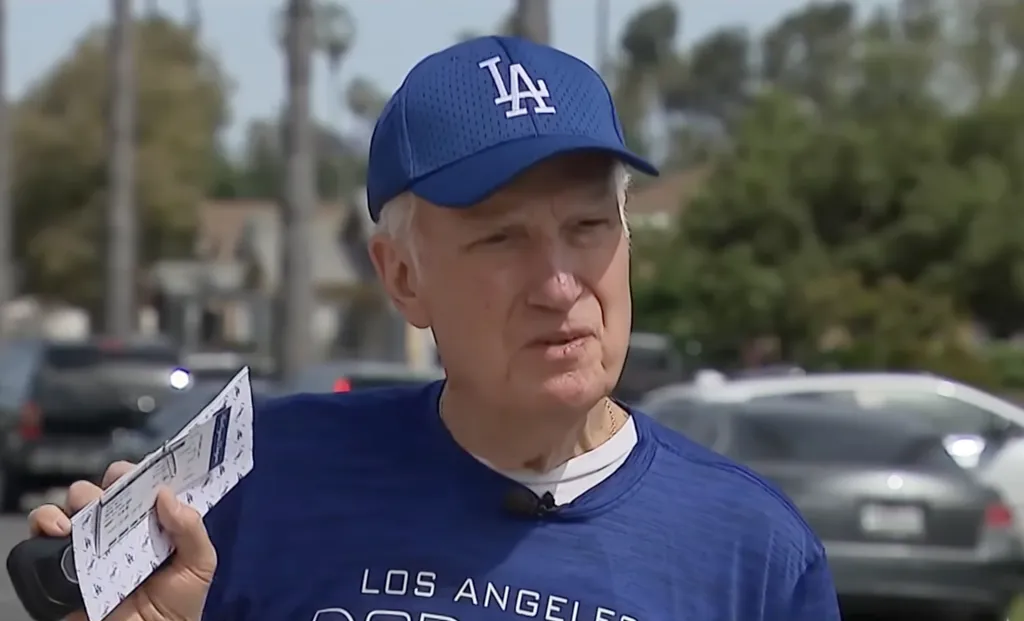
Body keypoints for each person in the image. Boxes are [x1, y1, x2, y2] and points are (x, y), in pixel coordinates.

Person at [29, 36, 840, 621]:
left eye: (589, 226)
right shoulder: (260, 484)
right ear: (402, 276)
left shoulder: (751, 552)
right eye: (502, 237)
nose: (560, 284)